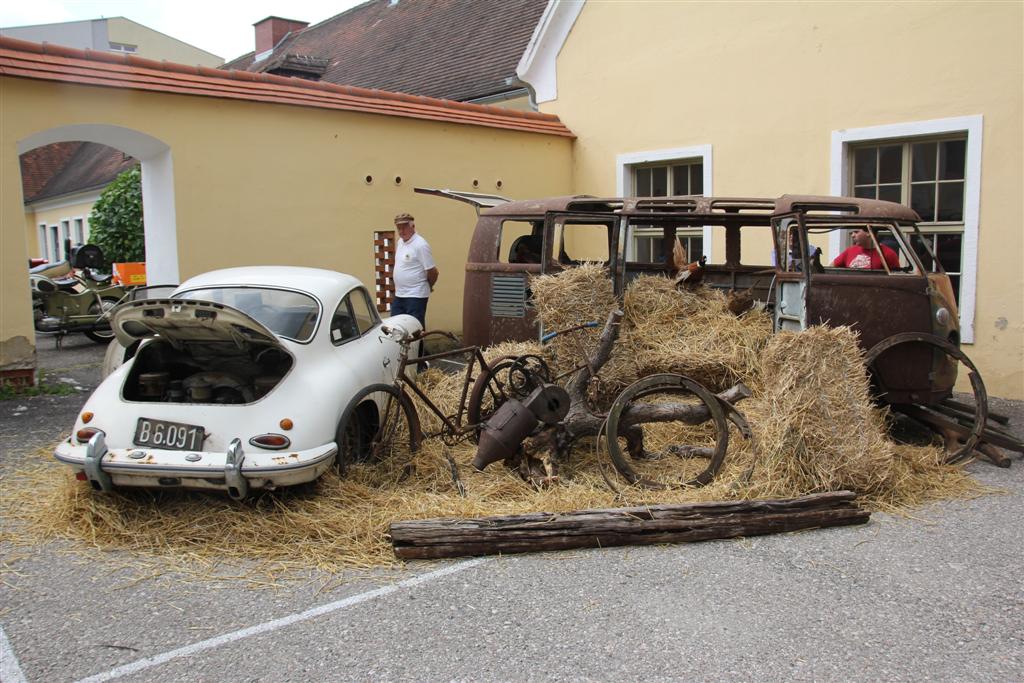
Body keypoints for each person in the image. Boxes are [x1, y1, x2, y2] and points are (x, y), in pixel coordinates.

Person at [391, 212, 438, 328]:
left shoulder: (420, 245)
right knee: (396, 327)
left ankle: (419, 347)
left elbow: (433, 272)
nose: (401, 231)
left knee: (415, 329)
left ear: (412, 226)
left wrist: (428, 285)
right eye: (399, 228)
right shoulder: (400, 242)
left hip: (415, 295)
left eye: (405, 227)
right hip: (400, 294)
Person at [832, 228, 900, 270]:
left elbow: (895, 278)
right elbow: (832, 267)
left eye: (856, 232)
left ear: (868, 233)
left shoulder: (888, 254)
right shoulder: (849, 251)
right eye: (851, 233)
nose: (852, 235)